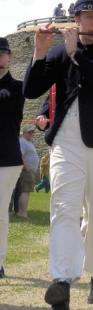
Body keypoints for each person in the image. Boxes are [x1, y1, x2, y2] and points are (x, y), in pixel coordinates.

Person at [23, 0, 93, 308]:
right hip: (66, 142)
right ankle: (62, 278)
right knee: (64, 208)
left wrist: (75, 52)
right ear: (77, 19)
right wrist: (40, 51)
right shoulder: (59, 52)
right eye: (89, 17)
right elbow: (31, 90)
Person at [0, 37, 25, 279]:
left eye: (2, 54)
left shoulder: (16, 88)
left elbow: (7, 103)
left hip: (5, 159)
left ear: (9, 57)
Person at [17, 124, 39, 218]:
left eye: (32, 132)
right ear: (24, 132)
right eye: (29, 132)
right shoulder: (22, 142)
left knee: (26, 191)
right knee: (25, 191)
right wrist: (26, 167)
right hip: (26, 170)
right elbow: (20, 156)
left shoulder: (28, 141)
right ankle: (23, 213)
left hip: (29, 170)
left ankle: (21, 212)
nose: (32, 134)